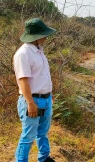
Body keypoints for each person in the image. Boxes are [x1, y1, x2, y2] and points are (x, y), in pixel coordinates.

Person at [13, 18, 56, 162]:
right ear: (36, 36)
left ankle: (44, 158)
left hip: (45, 99)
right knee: (28, 136)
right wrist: (30, 103)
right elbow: (23, 80)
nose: (45, 37)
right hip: (32, 100)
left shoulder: (39, 51)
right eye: (43, 34)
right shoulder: (23, 54)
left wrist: (49, 94)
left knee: (43, 133)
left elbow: (42, 76)